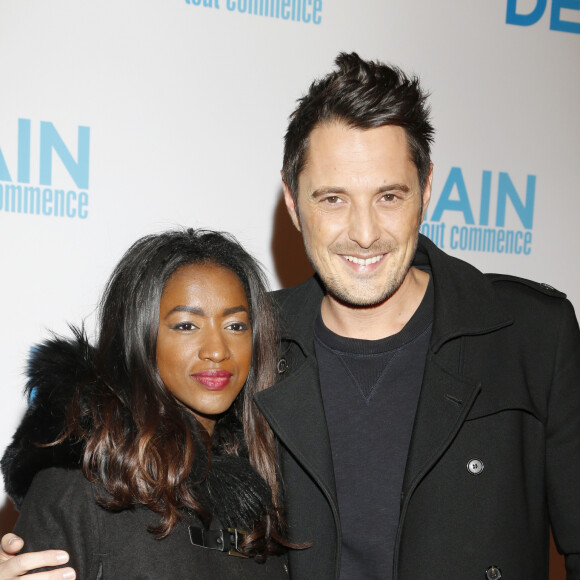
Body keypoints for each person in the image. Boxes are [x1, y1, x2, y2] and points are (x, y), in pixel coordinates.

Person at [2, 52, 580, 579]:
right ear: (292, 202)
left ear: (428, 190)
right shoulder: (252, 347)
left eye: (389, 196)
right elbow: (120, 448)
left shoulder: (531, 335)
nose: (363, 233)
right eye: (332, 198)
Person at [0, 229, 289, 579]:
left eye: (235, 325)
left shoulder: (269, 487)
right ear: (139, 337)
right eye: (186, 325)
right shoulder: (77, 483)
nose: (217, 350)